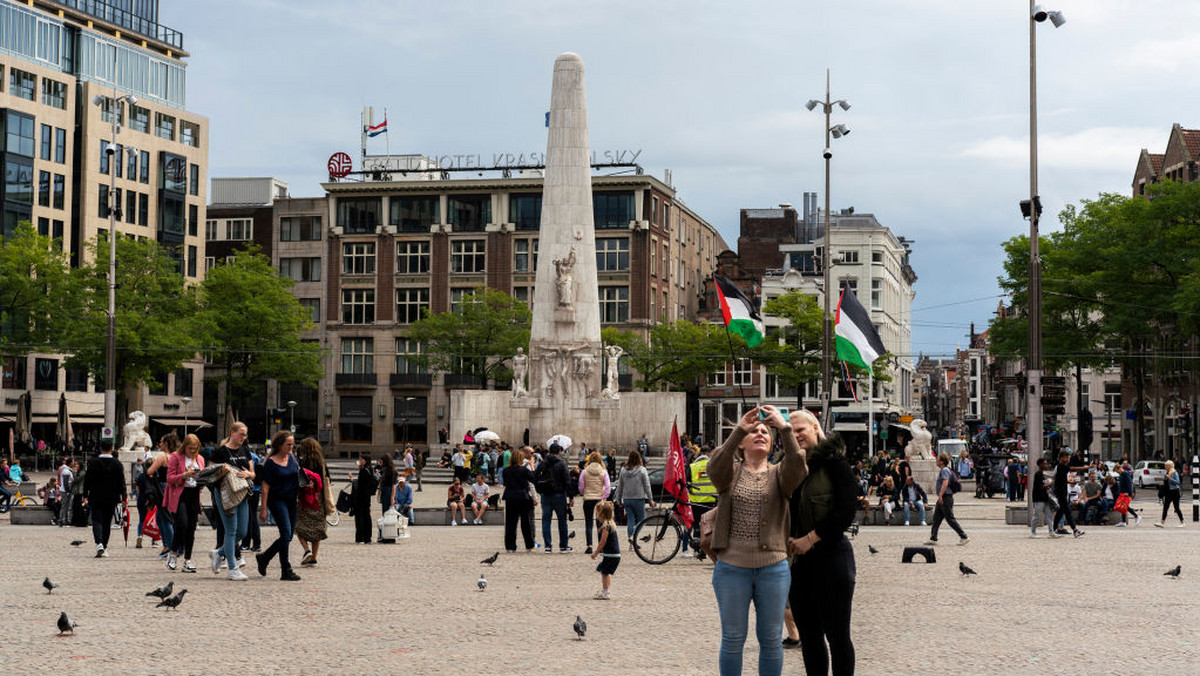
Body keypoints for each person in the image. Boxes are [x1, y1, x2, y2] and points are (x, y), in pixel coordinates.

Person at [708, 406, 804, 676]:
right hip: (731, 567)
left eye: (765, 431)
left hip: (773, 568)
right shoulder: (730, 473)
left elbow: (798, 466)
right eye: (754, 431)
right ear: (741, 443)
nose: (760, 433)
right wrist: (739, 428)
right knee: (733, 639)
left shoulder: (780, 474)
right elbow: (714, 468)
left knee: (772, 640)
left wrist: (784, 428)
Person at [787, 409, 857, 676]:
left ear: (815, 427)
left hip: (832, 561)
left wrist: (811, 538)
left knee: (838, 637)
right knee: (811, 638)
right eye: (790, 433)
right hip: (799, 566)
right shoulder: (789, 468)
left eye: (800, 430)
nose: (796, 436)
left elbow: (846, 510)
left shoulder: (835, 464)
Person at [209, 422, 254, 580]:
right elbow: (210, 474)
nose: (243, 437)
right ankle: (232, 568)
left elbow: (253, 473)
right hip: (225, 494)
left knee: (242, 531)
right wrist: (223, 472)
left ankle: (219, 553)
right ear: (232, 432)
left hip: (241, 493)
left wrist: (248, 474)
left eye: (245, 434)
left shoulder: (244, 450)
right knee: (231, 531)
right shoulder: (220, 451)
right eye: (241, 434)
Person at [256, 431, 302, 581]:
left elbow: (297, 478)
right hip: (277, 500)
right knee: (286, 533)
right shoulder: (270, 462)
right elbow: (265, 487)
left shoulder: (293, 459)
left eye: (292, 444)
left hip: (291, 500)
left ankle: (264, 558)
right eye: (288, 444)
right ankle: (285, 569)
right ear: (279, 445)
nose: (291, 446)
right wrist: (263, 509)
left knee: (287, 536)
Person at [165, 435, 205, 572]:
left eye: (195, 449)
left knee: (191, 528)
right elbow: (169, 478)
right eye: (190, 448)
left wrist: (203, 480)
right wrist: (185, 475)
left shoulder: (200, 459)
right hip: (180, 494)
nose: (192, 451)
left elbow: (202, 477)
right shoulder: (176, 457)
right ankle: (173, 553)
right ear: (184, 447)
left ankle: (187, 560)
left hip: (194, 494)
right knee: (181, 524)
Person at [82, 439, 126, 558]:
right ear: (112, 449)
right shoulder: (117, 464)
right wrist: (124, 497)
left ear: (100, 448)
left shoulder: (93, 462)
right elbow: (121, 482)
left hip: (96, 496)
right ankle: (104, 546)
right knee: (107, 522)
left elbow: (87, 480)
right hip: (111, 497)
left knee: (97, 520)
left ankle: (99, 543)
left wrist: (85, 495)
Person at [295, 438, 330, 568]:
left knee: (299, 526)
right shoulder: (321, 462)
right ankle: (314, 557)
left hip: (305, 499)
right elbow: (327, 479)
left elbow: (298, 479)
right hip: (318, 499)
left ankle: (306, 550)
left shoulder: (302, 462)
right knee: (317, 529)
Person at [925, 452, 970, 546]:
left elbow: (945, 483)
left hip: (945, 497)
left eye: (938, 459)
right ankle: (933, 538)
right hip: (943, 497)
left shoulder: (945, 470)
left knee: (950, 519)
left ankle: (964, 536)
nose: (936, 461)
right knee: (936, 519)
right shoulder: (943, 470)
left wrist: (940, 495)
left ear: (942, 461)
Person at [537, 443, 573, 553]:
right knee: (562, 521)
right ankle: (563, 546)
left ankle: (548, 546)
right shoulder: (562, 463)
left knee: (546, 521)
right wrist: (571, 496)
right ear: (559, 452)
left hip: (546, 494)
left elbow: (536, 476)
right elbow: (567, 480)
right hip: (559, 494)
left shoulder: (543, 463)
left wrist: (540, 490)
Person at [501, 447, 538, 552]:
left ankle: (510, 546)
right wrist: (531, 465)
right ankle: (529, 545)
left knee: (510, 523)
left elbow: (505, 483)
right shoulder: (523, 470)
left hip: (510, 496)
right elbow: (533, 479)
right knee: (525, 522)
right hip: (522, 496)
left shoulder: (506, 471)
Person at [614, 450, 656, 542]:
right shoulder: (642, 470)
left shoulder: (623, 470)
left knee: (630, 520)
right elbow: (647, 486)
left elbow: (620, 485)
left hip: (627, 498)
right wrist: (650, 499)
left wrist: (618, 499)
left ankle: (631, 540)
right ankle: (633, 535)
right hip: (639, 498)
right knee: (642, 519)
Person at [577, 451, 611, 553]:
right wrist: (603, 498)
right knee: (600, 523)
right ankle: (601, 546)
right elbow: (608, 487)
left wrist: (584, 493)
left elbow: (581, 487)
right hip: (599, 499)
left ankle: (589, 545)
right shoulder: (603, 472)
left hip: (588, 499)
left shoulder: (584, 471)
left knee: (588, 523)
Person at [589, 500, 620, 600]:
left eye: (597, 513)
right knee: (606, 572)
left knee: (604, 573)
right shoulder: (611, 524)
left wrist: (595, 553)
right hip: (615, 554)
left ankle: (606, 592)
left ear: (601, 514)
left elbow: (603, 542)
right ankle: (605, 590)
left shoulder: (606, 527)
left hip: (611, 554)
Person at [1051, 450, 1085, 538]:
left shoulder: (1061, 467)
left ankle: (1053, 530)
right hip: (1060, 493)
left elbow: (1061, 480)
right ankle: (1075, 530)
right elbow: (1073, 468)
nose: (1068, 459)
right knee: (1067, 512)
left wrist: (1068, 481)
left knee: (1060, 512)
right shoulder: (1061, 466)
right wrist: (1087, 467)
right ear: (1062, 458)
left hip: (1062, 492)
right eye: (1067, 457)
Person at [351, 454, 378, 544]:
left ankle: (360, 537)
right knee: (366, 516)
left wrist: (353, 481)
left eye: (361, 459)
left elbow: (361, 484)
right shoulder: (370, 469)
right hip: (367, 497)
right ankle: (367, 537)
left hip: (361, 497)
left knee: (360, 517)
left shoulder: (363, 470)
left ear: (365, 460)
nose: (360, 461)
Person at [1029, 457, 1058, 538]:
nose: (1046, 465)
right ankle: (1033, 532)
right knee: (1037, 515)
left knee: (1049, 515)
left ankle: (1051, 531)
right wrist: (1049, 484)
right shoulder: (1038, 474)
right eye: (1044, 463)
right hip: (1039, 498)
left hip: (1045, 498)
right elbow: (1040, 486)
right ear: (1040, 464)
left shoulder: (1042, 474)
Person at [1156, 460, 1185, 528]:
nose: (1165, 466)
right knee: (1165, 507)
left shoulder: (1174, 473)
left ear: (1170, 466)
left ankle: (1182, 522)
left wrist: (1170, 478)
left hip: (1174, 491)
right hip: (1168, 492)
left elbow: (1178, 482)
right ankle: (1162, 522)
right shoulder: (1166, 473)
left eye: (1166, 465)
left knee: (1176, 508)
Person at [1116, 461, 1142, 527]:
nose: (1117, 472)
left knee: (1125, 506)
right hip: (1123, 492)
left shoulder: (1125, 473)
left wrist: (1128, 492)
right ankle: (1124, 521)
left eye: (1116, 471)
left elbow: (1129, 483)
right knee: (1124, 507)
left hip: (1126, 493)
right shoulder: (1122, 474)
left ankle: (1136, 516)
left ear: (1119, 469)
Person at [378, 454, 398, 520]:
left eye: (382, 461)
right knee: (384, 510)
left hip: (388, 491)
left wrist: (392, 498)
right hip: (384, 491)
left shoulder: (392, 471)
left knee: (387, 510)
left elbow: (394, 485)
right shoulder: (385, 470)